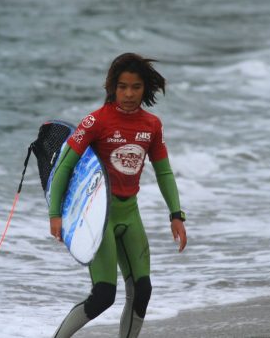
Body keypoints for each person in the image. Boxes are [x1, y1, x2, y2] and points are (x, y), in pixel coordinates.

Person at [48, 52, 187, 338]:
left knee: (142, 291)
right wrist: (56, 214)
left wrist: (176, 214)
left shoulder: (151, 125)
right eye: (122, 87)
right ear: (113, 87)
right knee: (103, 296)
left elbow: (164, 172)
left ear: (145, 88)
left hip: (130, 212)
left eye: (136, 87)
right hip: (100, 216)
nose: (129, 94)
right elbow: (64, 168)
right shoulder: (96, 121)